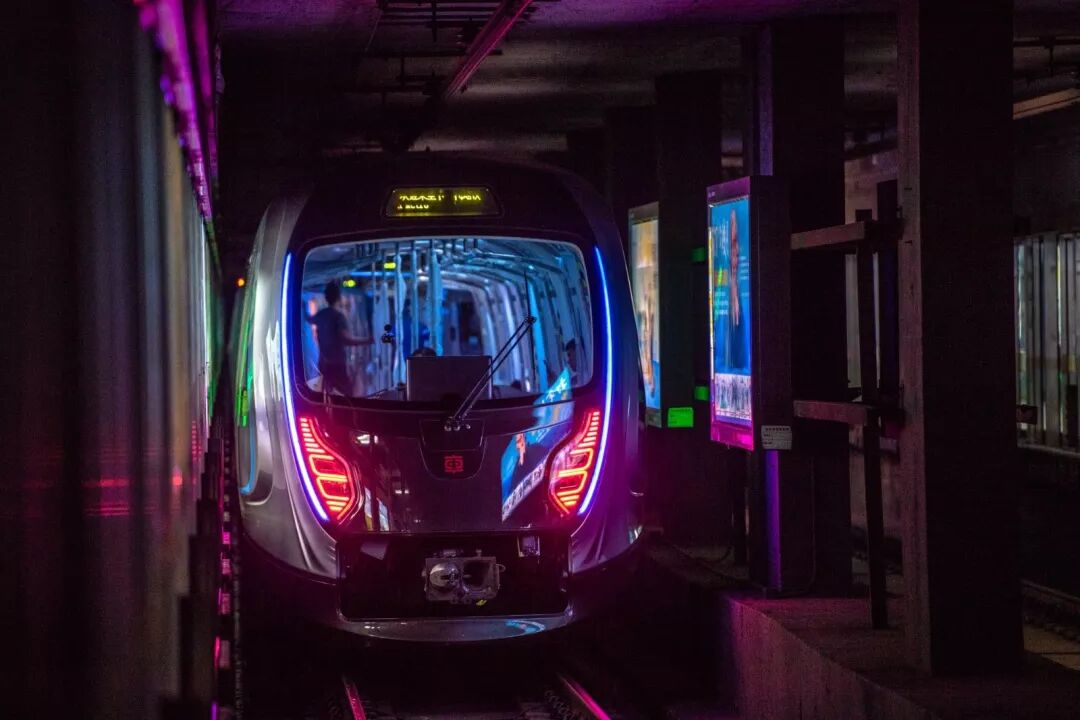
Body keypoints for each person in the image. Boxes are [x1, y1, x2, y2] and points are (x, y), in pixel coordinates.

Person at [307, 280, 372, 396]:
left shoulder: (321, 315)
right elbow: (346, 339)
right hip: (337, 364)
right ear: (338, 297)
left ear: (326, 297)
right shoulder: (338, 317)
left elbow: (309, 319)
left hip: (323, 364)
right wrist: (367, 340)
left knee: (326, 395)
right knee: (346, 397)